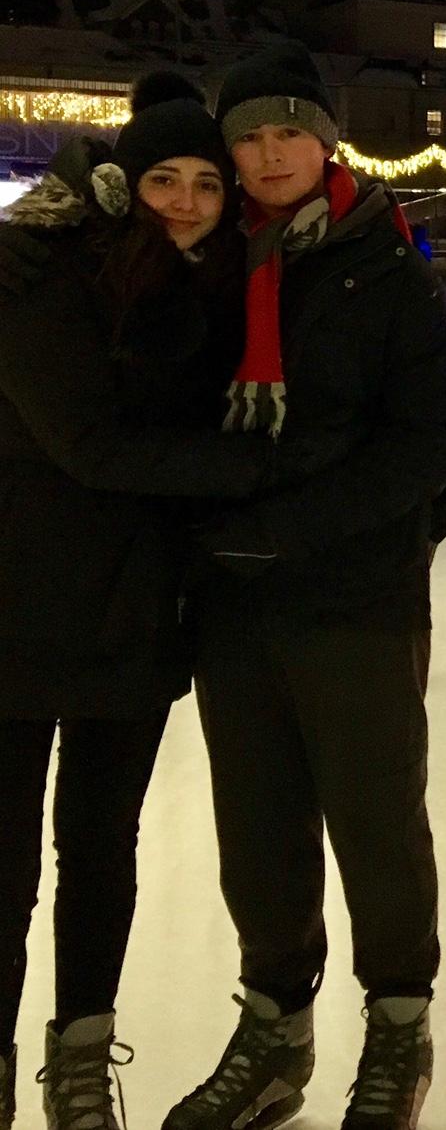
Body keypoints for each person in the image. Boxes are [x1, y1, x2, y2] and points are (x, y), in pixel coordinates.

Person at [164, 42, 446, 1130]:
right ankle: (274, 1033)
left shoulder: (386, 269)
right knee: (257, 831)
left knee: (376, 823)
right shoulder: (203, 262)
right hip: (236, 608)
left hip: (351, 599)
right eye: (246, 134)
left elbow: (432, 445)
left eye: (286, 128)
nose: (266, 151)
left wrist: (300, 535)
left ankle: (398, 1030)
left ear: (325, 136)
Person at [0, 73, 308, 1130]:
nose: (184, 200)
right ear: (125, 184)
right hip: (18, 602)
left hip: (132, 616)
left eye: (207, 185)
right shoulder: (39, 271)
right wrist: (245, 470)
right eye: (164, 178)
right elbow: (86, 444)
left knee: (99, 847)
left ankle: (80, 1056)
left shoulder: (216, 295)